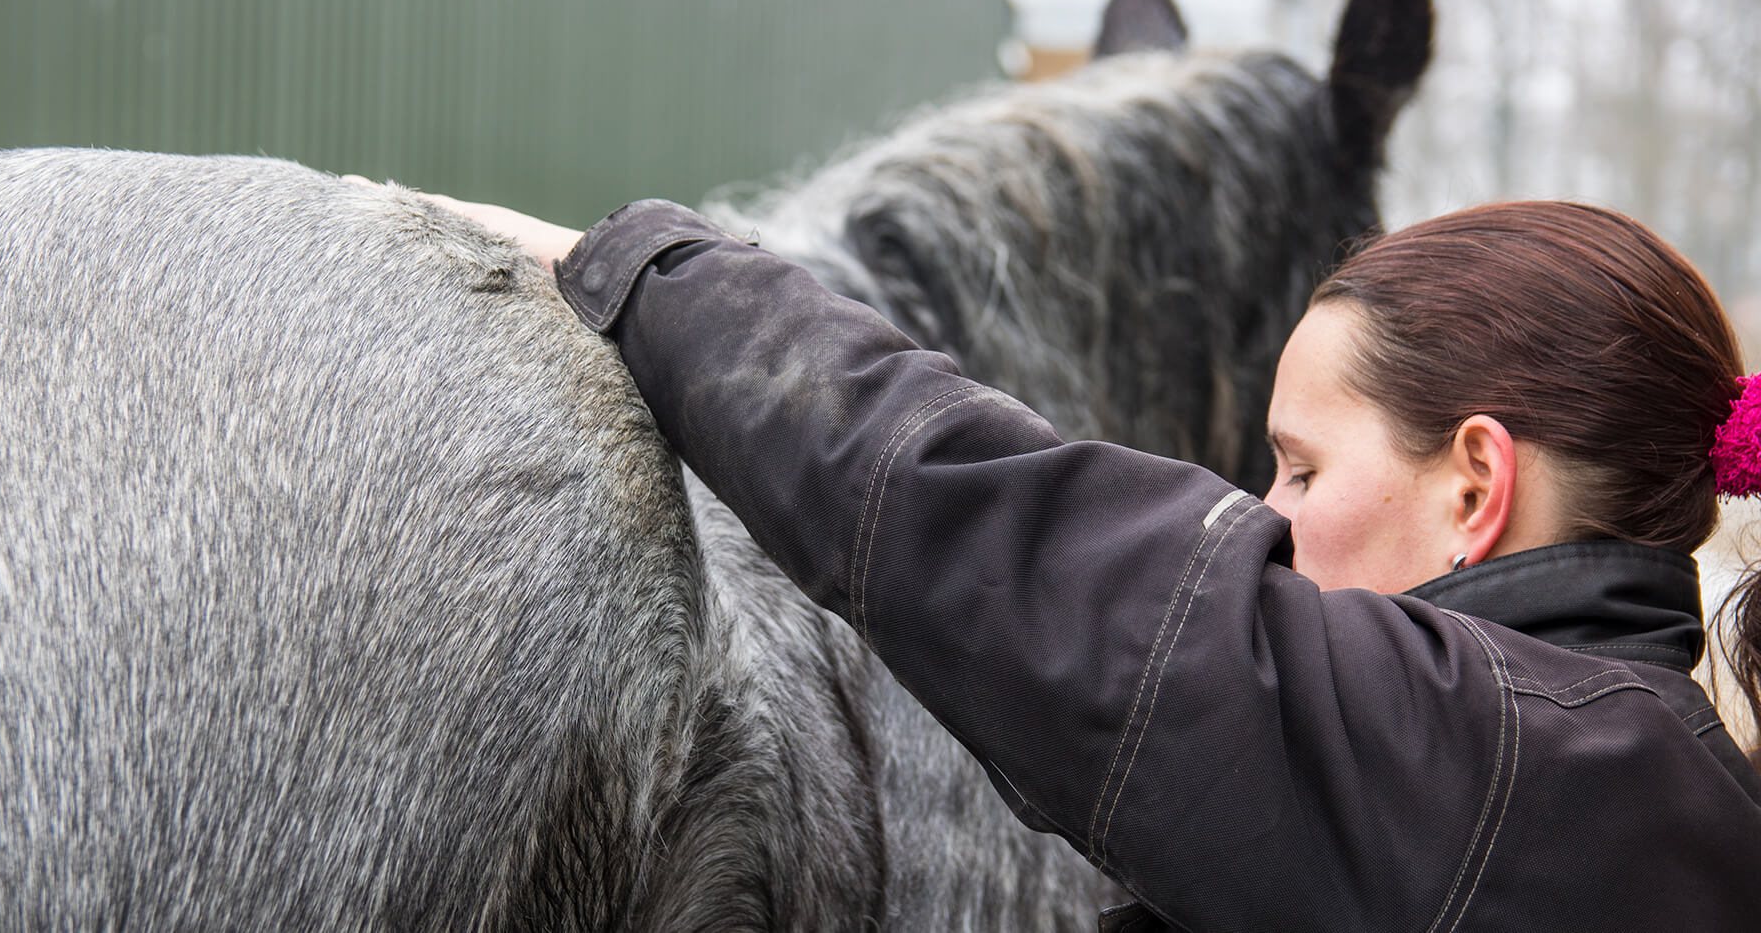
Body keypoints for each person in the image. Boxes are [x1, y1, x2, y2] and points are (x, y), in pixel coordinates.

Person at [428, 191, 1761, 929]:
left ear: (1478, 480)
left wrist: (641, 272)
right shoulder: (1640, 782)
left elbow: (1018, 535)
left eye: (1301, 467)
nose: (1267, 515)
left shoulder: (1515, 767)